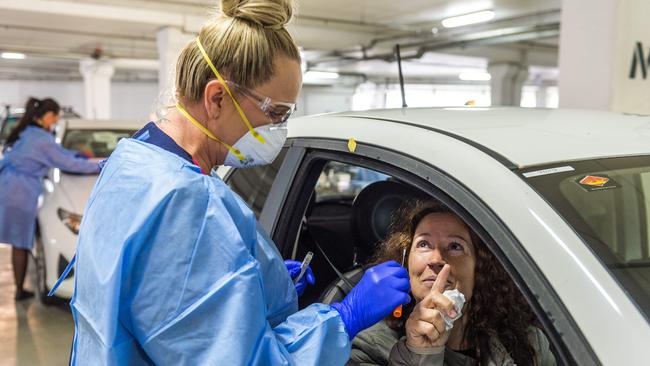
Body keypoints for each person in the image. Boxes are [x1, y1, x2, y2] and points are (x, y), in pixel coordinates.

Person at [65, 0, 411, 364]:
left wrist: (256, 290)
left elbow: (162, 302)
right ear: (217, 98)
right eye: (275, 112)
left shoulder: (135, 159)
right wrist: (343, 317)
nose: (279, 130)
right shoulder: (186, 204)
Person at [349, 199, 557, 365]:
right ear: (405, 261)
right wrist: (421, 355)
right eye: (423, 244)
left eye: (455, 246)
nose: (436, 259)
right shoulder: (370, 347)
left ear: (481, 267)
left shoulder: (528, 342)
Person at [0, 97, 99, 301]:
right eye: (55, 117)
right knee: (20, 241)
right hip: (20, 191)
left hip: (11, 187)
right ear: (47, 115)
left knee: (18, 242)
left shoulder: (29, 132)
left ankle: (19, 287)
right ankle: (19, 290)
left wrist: (80, 155)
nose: (55, 122)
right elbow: (67, 163)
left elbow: (62, 154)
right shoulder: (41, 139)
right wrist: (101, 164)